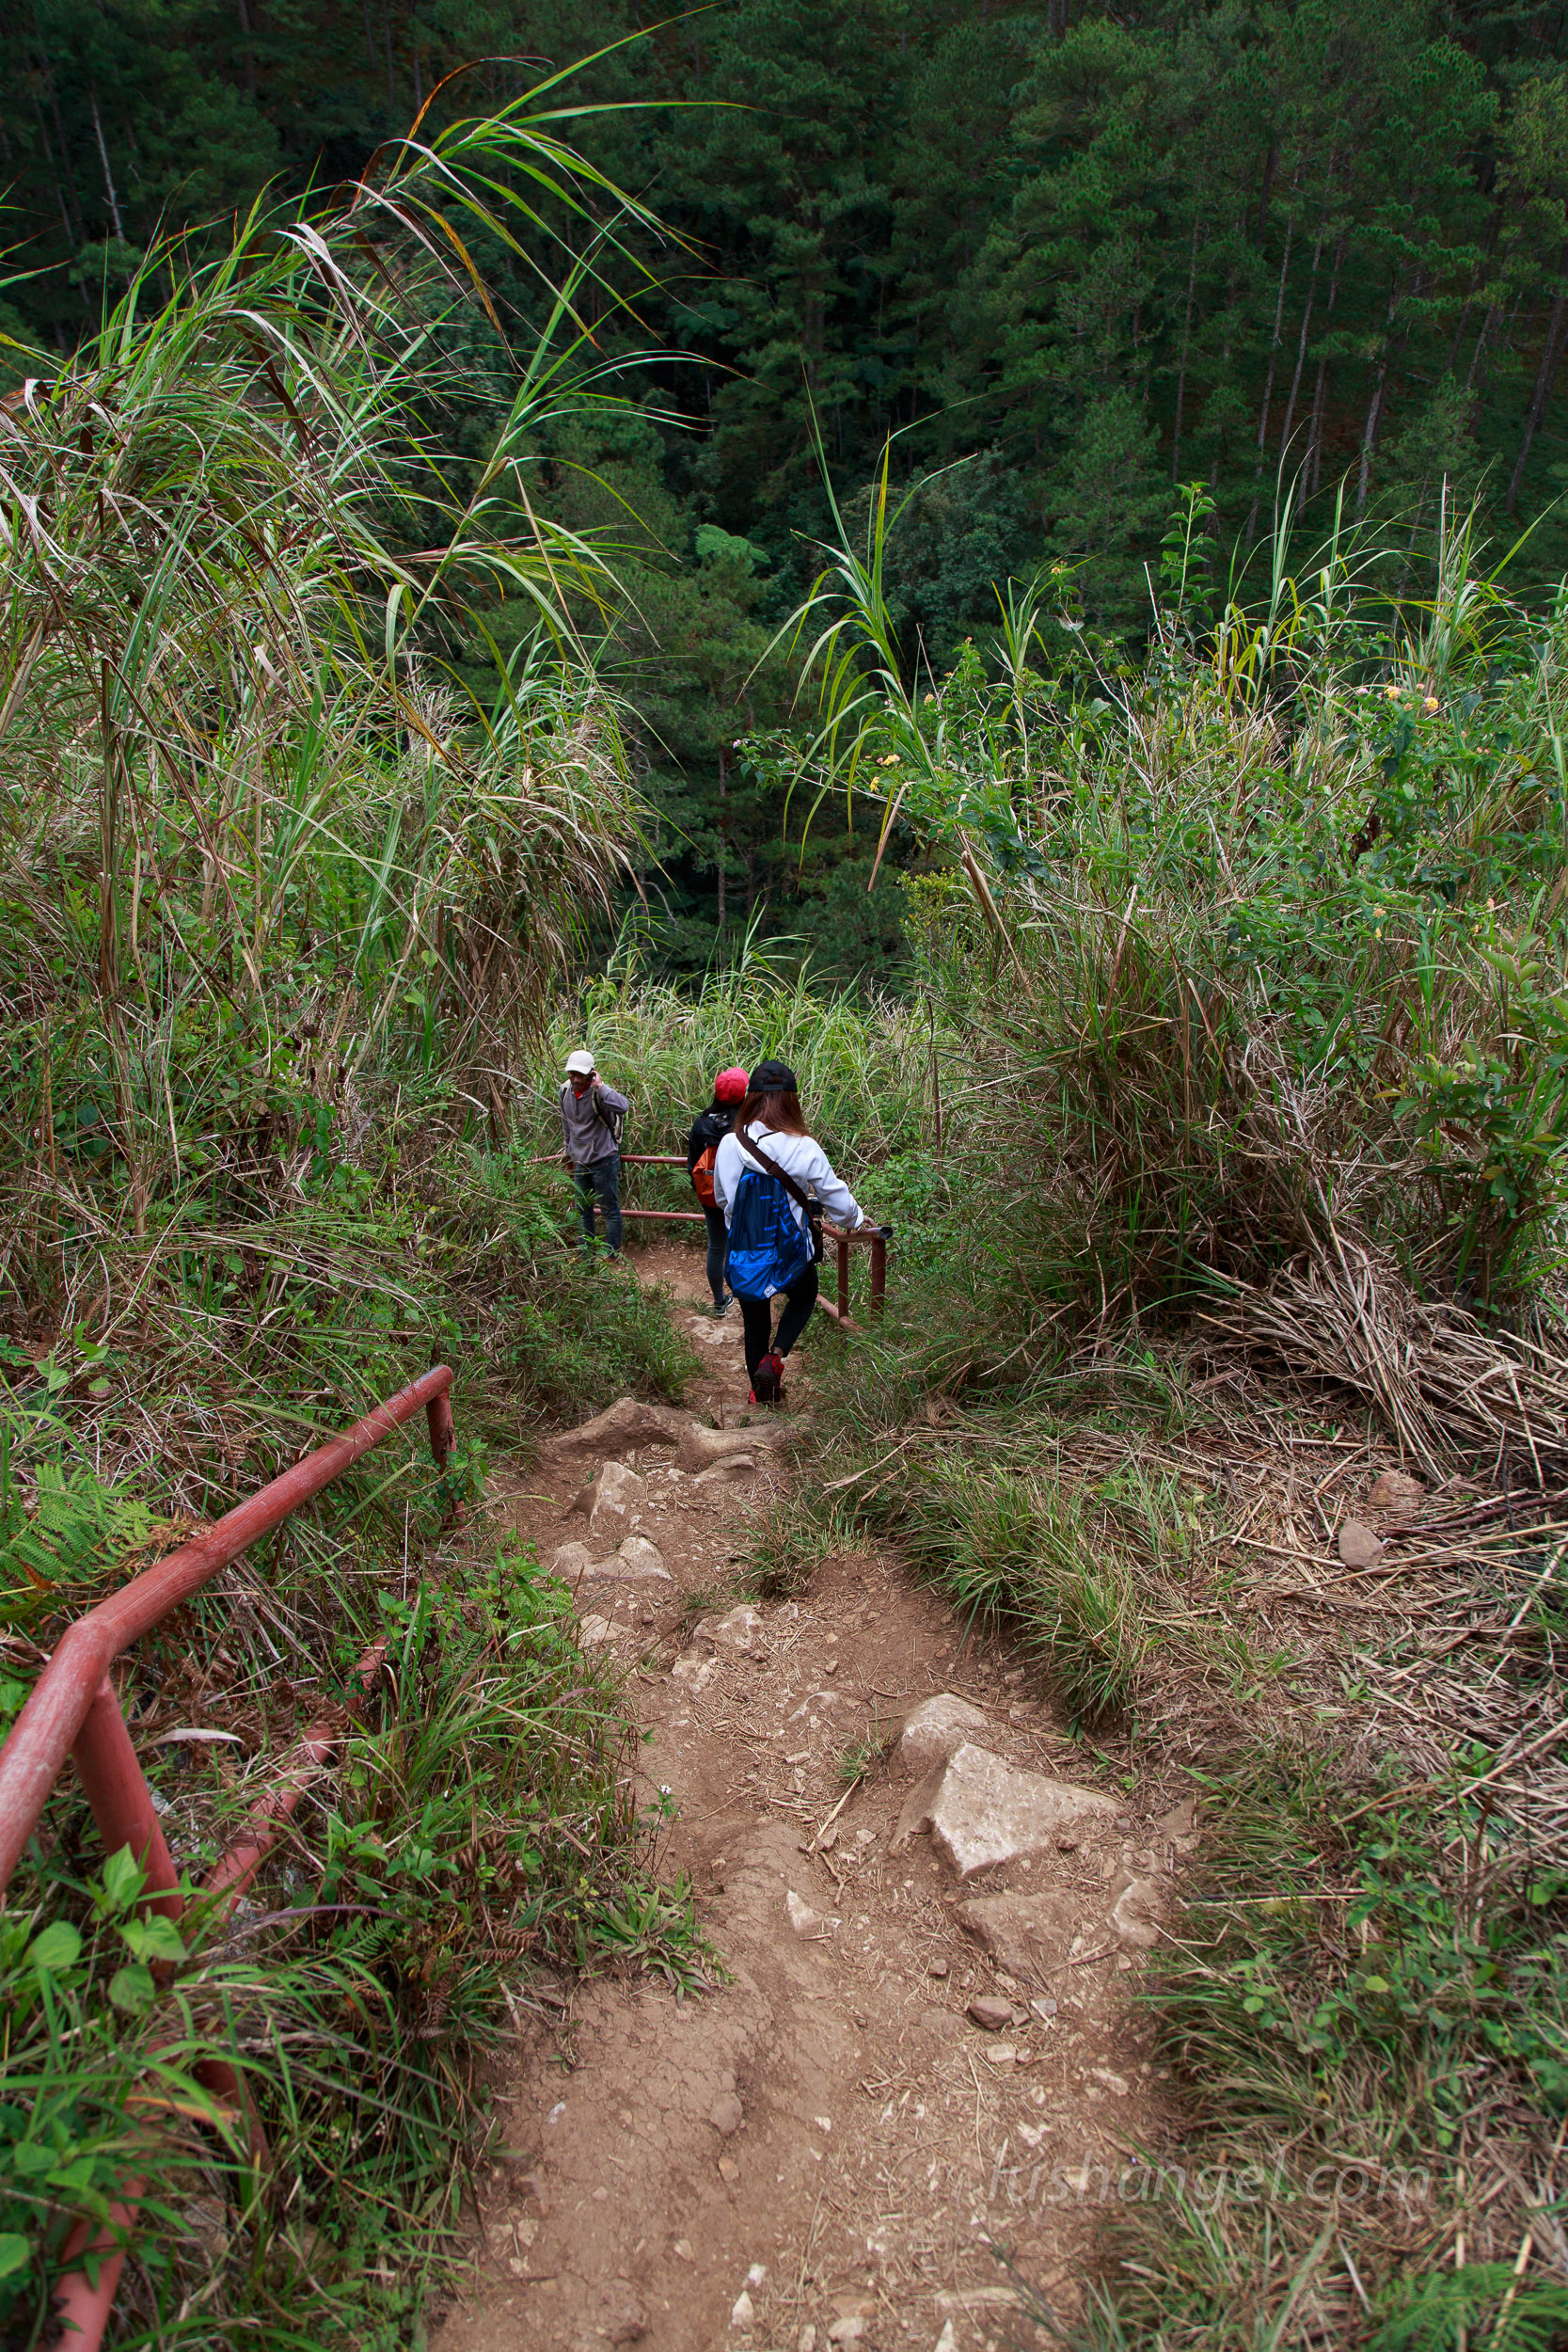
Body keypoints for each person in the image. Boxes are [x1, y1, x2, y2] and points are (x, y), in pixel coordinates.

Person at [713, 1058, 872, 1405]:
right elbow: (834, 1197)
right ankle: (776, 1356)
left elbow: (723, 1199)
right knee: (804, 1294)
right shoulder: (804, 1146)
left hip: (745, 1250)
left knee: (755, 1322)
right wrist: (857, 1221)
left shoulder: (730, 1144)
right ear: (792, 1101)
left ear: (752, 1098)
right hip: (789, 1253)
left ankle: (761, 1399)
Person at [687, 1065, 749, 1314]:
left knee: (716, 1247)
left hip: (710, 1193)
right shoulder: (747, 1125)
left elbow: (693, 1162)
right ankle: (750, 1299)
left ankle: (719, 1302)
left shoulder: (702, 1123)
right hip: (742, 1195)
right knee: (744, 1245)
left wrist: (700, 1189)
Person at [558, 1048, 628, 1255]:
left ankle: (612, 1253)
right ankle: (585, 1252)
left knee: (609, 1209)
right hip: (581, 1161)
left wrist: (601, 1085)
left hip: (603, 1160)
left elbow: (623, 1106)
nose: (575, 1078)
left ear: (591, 1073)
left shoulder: (600, 1093)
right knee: (582, 1210)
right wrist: (568, 1148)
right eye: (572, 1073)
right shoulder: (565, 1092)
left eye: (580, 1074)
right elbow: (566, 1122)